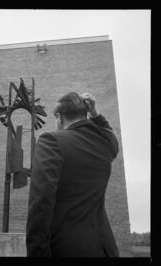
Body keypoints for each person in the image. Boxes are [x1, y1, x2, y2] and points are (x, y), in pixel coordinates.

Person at [26, 92, 120, 257]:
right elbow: (111, 136)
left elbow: (41, 202)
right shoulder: (105, 144)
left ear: (59, 117)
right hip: (106, 249)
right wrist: (96, 114)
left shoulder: (51, 141)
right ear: (85, 115)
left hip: (68, 249)